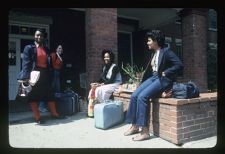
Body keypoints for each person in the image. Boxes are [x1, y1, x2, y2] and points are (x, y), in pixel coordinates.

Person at [123, 30, 183, 141]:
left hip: (163, 80)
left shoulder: (167, 51)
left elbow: (179, 64)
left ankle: (145, 132)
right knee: (135, 95)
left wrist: (167, 72)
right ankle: (135, 126)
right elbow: (153, 70)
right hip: (154, 78)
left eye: (149, 40)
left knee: (142, 97)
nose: (147, 43)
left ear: (156, 41)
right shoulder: (154, 53)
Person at [17, 29, 64, 124]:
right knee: (33, 95)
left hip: (45, 74)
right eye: (37, 35)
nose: (39, 37)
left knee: (50, 93)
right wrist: (26, 77)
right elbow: (25, 63)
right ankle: (37, 117)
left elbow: (49, 63)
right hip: (34, 74)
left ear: (43, 37)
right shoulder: (29, 48)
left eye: (41, 35)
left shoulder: (46, 49)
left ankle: (54, 114)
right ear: (34, 36)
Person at [39, 45, 63, 112]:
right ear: (56, 49)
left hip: (57, 73)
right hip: (53, 74)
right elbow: (50, 65)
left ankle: (54, 107)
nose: (60, 49)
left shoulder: (60, 56)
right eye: (59, 48)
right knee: (49, 90)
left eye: (61, 48)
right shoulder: (53, 55)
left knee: (57, 91)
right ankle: (41, 106)